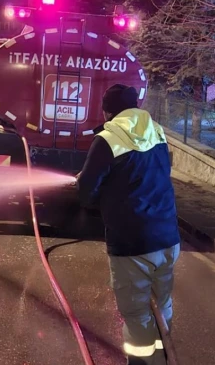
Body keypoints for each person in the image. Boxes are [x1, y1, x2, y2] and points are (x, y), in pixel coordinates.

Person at [76, 84, 181, 365]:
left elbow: (86, 192)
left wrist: (93, 191)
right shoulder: (158, 131)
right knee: (162, 303)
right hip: (169, 237)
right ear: (136, 105)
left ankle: (145, 362)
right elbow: (155, 174)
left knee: (136, 312)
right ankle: (162, 354)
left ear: (107, 111)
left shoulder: (108, 139)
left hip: (133, 241)